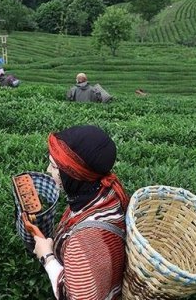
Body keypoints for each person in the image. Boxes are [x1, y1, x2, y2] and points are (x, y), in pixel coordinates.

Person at [33, 125, 130, 300]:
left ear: (74, 174)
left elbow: (77, 296)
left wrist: (47, 257)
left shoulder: (84, 243)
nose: (48, 171)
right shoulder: (105, 191)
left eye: (54, 167)